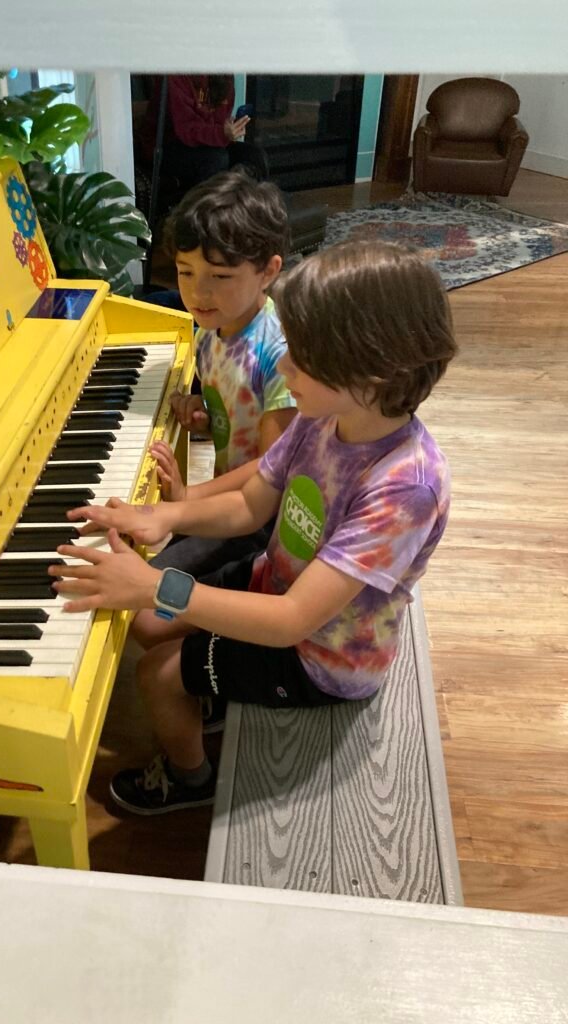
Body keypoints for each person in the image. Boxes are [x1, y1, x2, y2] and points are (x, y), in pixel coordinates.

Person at [50, 241, 458, 815]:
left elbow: (292, 621)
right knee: (147, 621)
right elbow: (249, 504)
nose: (284, 368)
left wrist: (154, 583)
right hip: (276, 583)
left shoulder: (405, 487)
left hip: (322, 656)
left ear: (370, 373)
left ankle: (189, 779)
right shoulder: (323, 417)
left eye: (302, 359)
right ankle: (212, 687)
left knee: (157, 673)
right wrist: (165, 514)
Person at [143, 168, 297, 592]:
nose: (198, 293)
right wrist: (204, 415)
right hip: (227, 498)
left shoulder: (279, 354)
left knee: (148, 592)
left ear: (268, 271)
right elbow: (233, 415)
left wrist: (190, 499)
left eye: (220, 276)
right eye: (185, 272)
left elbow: (273, 467)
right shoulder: (211, 330)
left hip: (262, 521)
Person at [139, 75, 251, 198]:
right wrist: (220, 133)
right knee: (215, 159)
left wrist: (231, 129)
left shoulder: (224, 75)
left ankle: (248, 208)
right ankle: (205, 209)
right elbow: (186, 128)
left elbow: (219, 121)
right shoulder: (175, 75)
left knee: (252, 155)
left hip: (204, 142)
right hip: (166, 144)